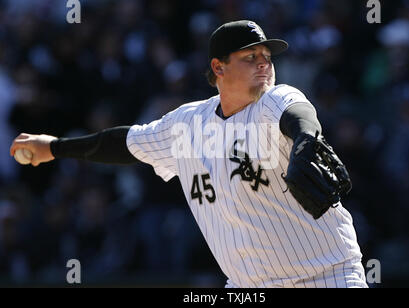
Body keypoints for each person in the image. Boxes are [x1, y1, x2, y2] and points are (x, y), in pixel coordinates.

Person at [9, 20, 367, 288]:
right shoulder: (186, 124)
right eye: (250, 56)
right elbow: (124, 143)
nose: (264, 64)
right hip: (248, 288)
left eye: (267, 56)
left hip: (327, 275)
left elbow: (301, 117)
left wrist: (305, 142)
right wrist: (54, 147)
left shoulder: (274, 100)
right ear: (218, 67)